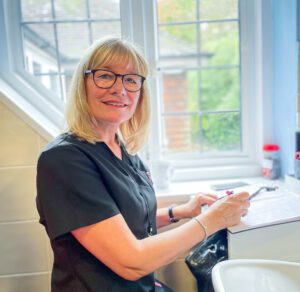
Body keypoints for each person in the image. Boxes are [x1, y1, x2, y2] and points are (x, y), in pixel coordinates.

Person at [36, 37, 250, 292]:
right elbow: (132, 262)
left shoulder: (121, 149)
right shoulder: (65, 161)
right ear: (83, 84)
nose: (120, 89)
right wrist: (213, 220)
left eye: (131, 79)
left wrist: (178, 212)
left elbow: (122, 222)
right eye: (106, 76)